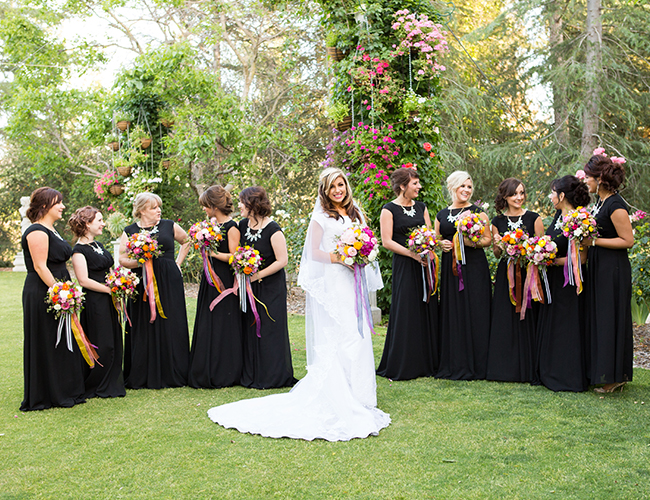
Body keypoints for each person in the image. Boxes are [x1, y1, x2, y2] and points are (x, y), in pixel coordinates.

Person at [207, 167, 390, 441]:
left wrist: (362, 254)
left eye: (341, 185)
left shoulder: (356, 213)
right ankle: (337, 394)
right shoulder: (320, 217)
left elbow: (367, 241)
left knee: (357, 334)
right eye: (332, 187)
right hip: (335, 282)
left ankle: (360, 394)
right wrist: (341, 258)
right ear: (325, 192)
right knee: (340, 334)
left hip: (355, 281)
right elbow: (315, 253)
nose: (338, 190)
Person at [20, 187, 85, 411]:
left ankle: (64, 388)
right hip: (43, 292)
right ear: (45, 205)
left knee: (63, 338)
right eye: (59, 202)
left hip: (58, 289)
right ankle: (47, 393)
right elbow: (40, 266)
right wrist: (60, 292)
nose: (63, 206)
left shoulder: (52, 230)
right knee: (48, 338)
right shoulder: (37, 231)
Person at [119, 192, 191, 389]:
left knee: (171, 321)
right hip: (142, 281)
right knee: (144, 324)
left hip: (169, 280)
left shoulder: (169, 225)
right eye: (153, 207)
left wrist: (177, 263)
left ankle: (175, 371)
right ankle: (143, 373)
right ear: (141, 210)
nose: (158, 210)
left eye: (159, 206)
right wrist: (141, 260)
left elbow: (187, 241)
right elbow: (123, 259)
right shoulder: (129, 230)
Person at [377, 167, 438, 380]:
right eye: (415, 183)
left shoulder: (422, 207)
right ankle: (404, 363)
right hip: (405, 264)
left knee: (426, 307)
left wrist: (428, 249)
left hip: (424, 263)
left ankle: (427, 363)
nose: (419, 187)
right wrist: (412, 255)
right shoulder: (388, 209)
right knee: (407, 309)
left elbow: (429, 233)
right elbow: (387, 241)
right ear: (403, 186)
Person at [583, 154, 635, 393]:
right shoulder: (599, 204)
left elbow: (628, 240)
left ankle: (615, 377)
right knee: (600, 318)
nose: (586, 181)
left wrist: (594, 243)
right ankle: (604, 372)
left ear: (600, 179)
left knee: (610, 319)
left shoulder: (616, 205)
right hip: (598, 266)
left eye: (589, 178)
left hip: (612, 269)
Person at [237, 186, 296, 389]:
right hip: (248, 286)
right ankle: (252, 373)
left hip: (270, 286)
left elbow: (282, 260)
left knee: (270, 327)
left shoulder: (273, 229)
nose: (239, 206)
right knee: (251, 327)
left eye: (242, 202)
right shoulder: (242, 225)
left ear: (252, 204)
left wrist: (257, 276)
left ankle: (272, 375)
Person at [435, 171, 492, 380]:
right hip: (451, 270)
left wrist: (466, 243)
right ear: (453, 188)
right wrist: (441, 243)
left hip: (474, 267)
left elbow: (488, 240)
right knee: (454, 310)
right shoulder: (441, 214)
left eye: (469, 187)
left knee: (475, 309)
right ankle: (454, 360)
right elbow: (437, 238)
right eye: (462, 186)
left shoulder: (478, 213)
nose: (466, 190)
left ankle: (478, 363)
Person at [486, 179, 544, 383]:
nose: (519, 197)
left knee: (527, 317)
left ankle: (527, 367)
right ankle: (503, 369)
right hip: (506, 274)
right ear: (505, 197)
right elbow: (495, 254)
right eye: (514, 194)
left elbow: (542, 248)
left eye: (522, 193)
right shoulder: (497, 222)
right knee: (504, 317)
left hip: (528, 274)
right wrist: (498, 245)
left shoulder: (534, 218)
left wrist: (527, 250)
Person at [535, 176, 590, 392]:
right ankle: (551, 370)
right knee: (555, 324)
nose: (550, 196)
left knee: (567, 325)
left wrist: (552, 260)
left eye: (552, 192)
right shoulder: (558, 215)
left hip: (571, 279)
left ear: (562, 195)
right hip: (554, 279)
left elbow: (582, 258)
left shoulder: (579, 219)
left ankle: (568, 376)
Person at [188, 186, 243, 388]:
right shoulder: (209, 226)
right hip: (208, 279)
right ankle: (205, 368)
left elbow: (235, 256)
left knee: (223, 323)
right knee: (207, 322)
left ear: (213, 206)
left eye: (205, 206)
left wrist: (212, 253)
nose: (203, 209)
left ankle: (224, 371)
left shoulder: (232, 227)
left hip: (225, 282)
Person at [70, 206, 125, 398]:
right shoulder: (78, 251)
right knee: (103, 342)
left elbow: (109, 271)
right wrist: (111, 290)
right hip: (95, 302)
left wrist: (118, 289)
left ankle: (112, 379)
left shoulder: (99, 245)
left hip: (109, 299)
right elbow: (84, 280)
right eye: (99, 220)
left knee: (114, 339)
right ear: (87, 224)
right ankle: (98, 382)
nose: (103, 224)